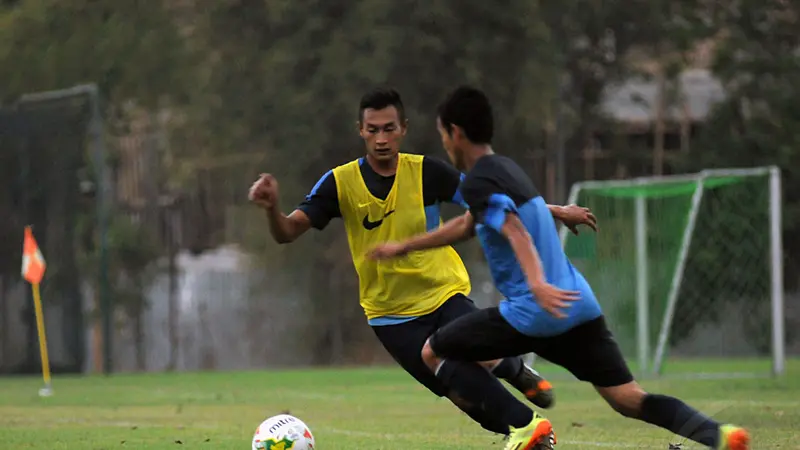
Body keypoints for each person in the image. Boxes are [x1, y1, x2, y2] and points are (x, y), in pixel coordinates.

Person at [368, 86, 751, 450]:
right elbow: (470, 224)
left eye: (443, 134)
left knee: (433, 352)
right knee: (628, 398)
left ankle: (523, 427)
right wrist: (406, 245)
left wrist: (536, 285)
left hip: (534, 310)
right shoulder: (506, 170)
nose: (444, 143)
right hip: (577, 303)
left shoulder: (479, 181)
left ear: (455, 133)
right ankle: (719, 435)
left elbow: (514, 230)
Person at [248, 87, 598, 437]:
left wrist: (556, 211)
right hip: (390, 314)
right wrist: (272, 210)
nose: (381, 138)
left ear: (403, 128)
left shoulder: (428, 172)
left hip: (443, 293)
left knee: (470, 356)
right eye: (373, 130)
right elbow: (288, 232)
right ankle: (512, 398)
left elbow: (494, 202)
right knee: (462, 394)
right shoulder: (339, 183)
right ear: (360, 130)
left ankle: (523, 406)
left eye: (388, 128)